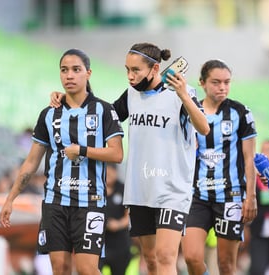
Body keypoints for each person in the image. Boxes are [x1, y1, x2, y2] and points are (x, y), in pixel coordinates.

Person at [51, 42, 210, 275]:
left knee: (166, 256)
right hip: (139, 190)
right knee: (151, 259)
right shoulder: (131, 95)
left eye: (136, 70)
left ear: (155, 69)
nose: (130, 76)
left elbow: (204, 127)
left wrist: (184, 95)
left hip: (172, 190)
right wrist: (67, 97)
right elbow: (101, 114)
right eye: (127, 70)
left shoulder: (181, 94)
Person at [0, 48, 124, 275]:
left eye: (76, 70)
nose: (69, 75)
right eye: (64, 70)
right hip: (55, 203)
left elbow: (117, 154)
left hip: (90, 202)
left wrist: (82, 150)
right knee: (60, 268)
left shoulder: (104, 110)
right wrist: (11, 198)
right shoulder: (48, 114)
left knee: (88, 269)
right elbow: (31, 162)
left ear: (88, 73)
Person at [181, 59, 257, 275]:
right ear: (202, 83)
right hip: (197, 196)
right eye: (216, 82)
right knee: (192, 258)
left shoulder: (241, 113)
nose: (222, 87)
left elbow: (249, 158)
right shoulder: (188, 112)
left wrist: (250, 196)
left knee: (225, 265)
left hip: (230, 196)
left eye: (226, 82)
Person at [248, 140, 269, 275]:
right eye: (263, 150)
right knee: (257, 269)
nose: (265, 154)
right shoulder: (252, 179)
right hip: (258, 230)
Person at [99, 163, 131, 275]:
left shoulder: (123, 189)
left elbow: (129, 215)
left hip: (119, 242)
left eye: (111, 171)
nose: (108, 175)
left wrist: (118, 224)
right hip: (100, 241)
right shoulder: (97, 189)